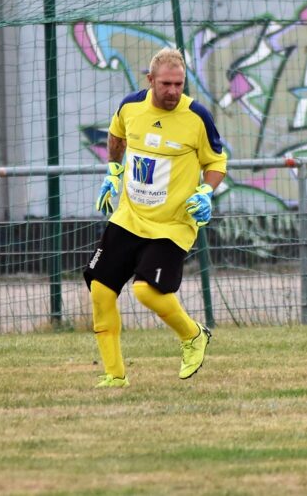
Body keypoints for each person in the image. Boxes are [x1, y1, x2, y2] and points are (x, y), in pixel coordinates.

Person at [85, 47, 227, 388]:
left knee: (147, 291)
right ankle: (115, 376)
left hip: (173, 224)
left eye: (179, 84)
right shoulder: (131, 106)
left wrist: (206, 192)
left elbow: (217, 163)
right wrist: (114, 172)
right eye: (166, 84)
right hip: (130, 217)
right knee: (101, 292)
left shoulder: (197, 117)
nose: (173, 91)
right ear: (150, 81)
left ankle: (193, 336)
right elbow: (116, 136)